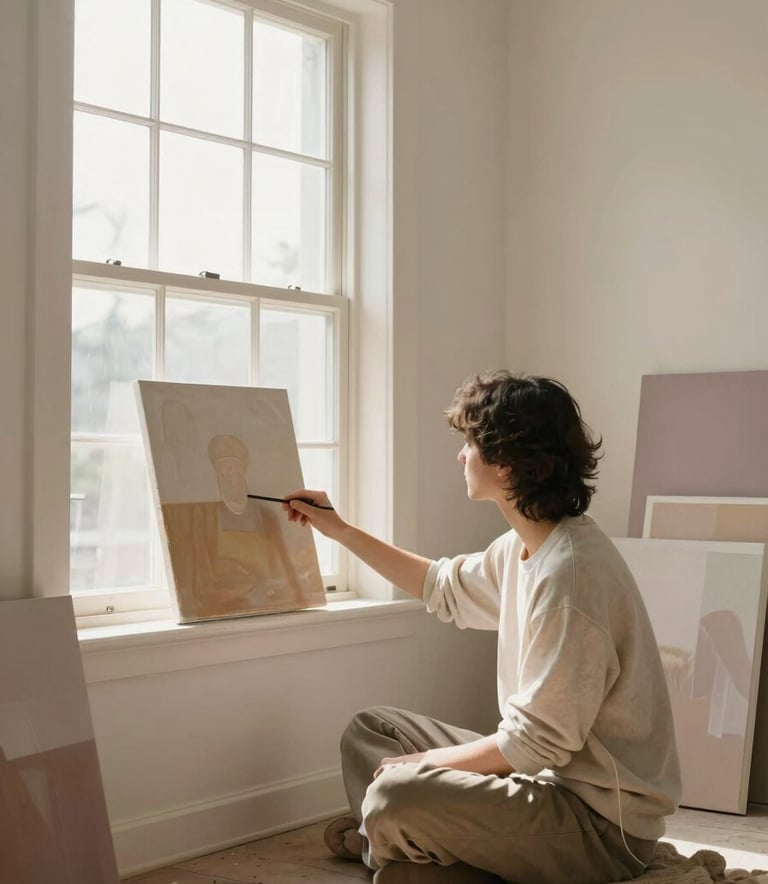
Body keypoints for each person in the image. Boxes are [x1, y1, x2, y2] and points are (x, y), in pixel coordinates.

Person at [283, 371, 681, 884]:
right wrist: (337, 529)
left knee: (393, 794)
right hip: (542, 785)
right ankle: (402, 843)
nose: (461, 455)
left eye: (470, 443)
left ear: (507, 463)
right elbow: (440, 585)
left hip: (601, 827)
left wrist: (425, 764)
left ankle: (395, 842)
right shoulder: (525, 546)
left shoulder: (571, 579)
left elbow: (535, 745)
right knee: (372, 730)